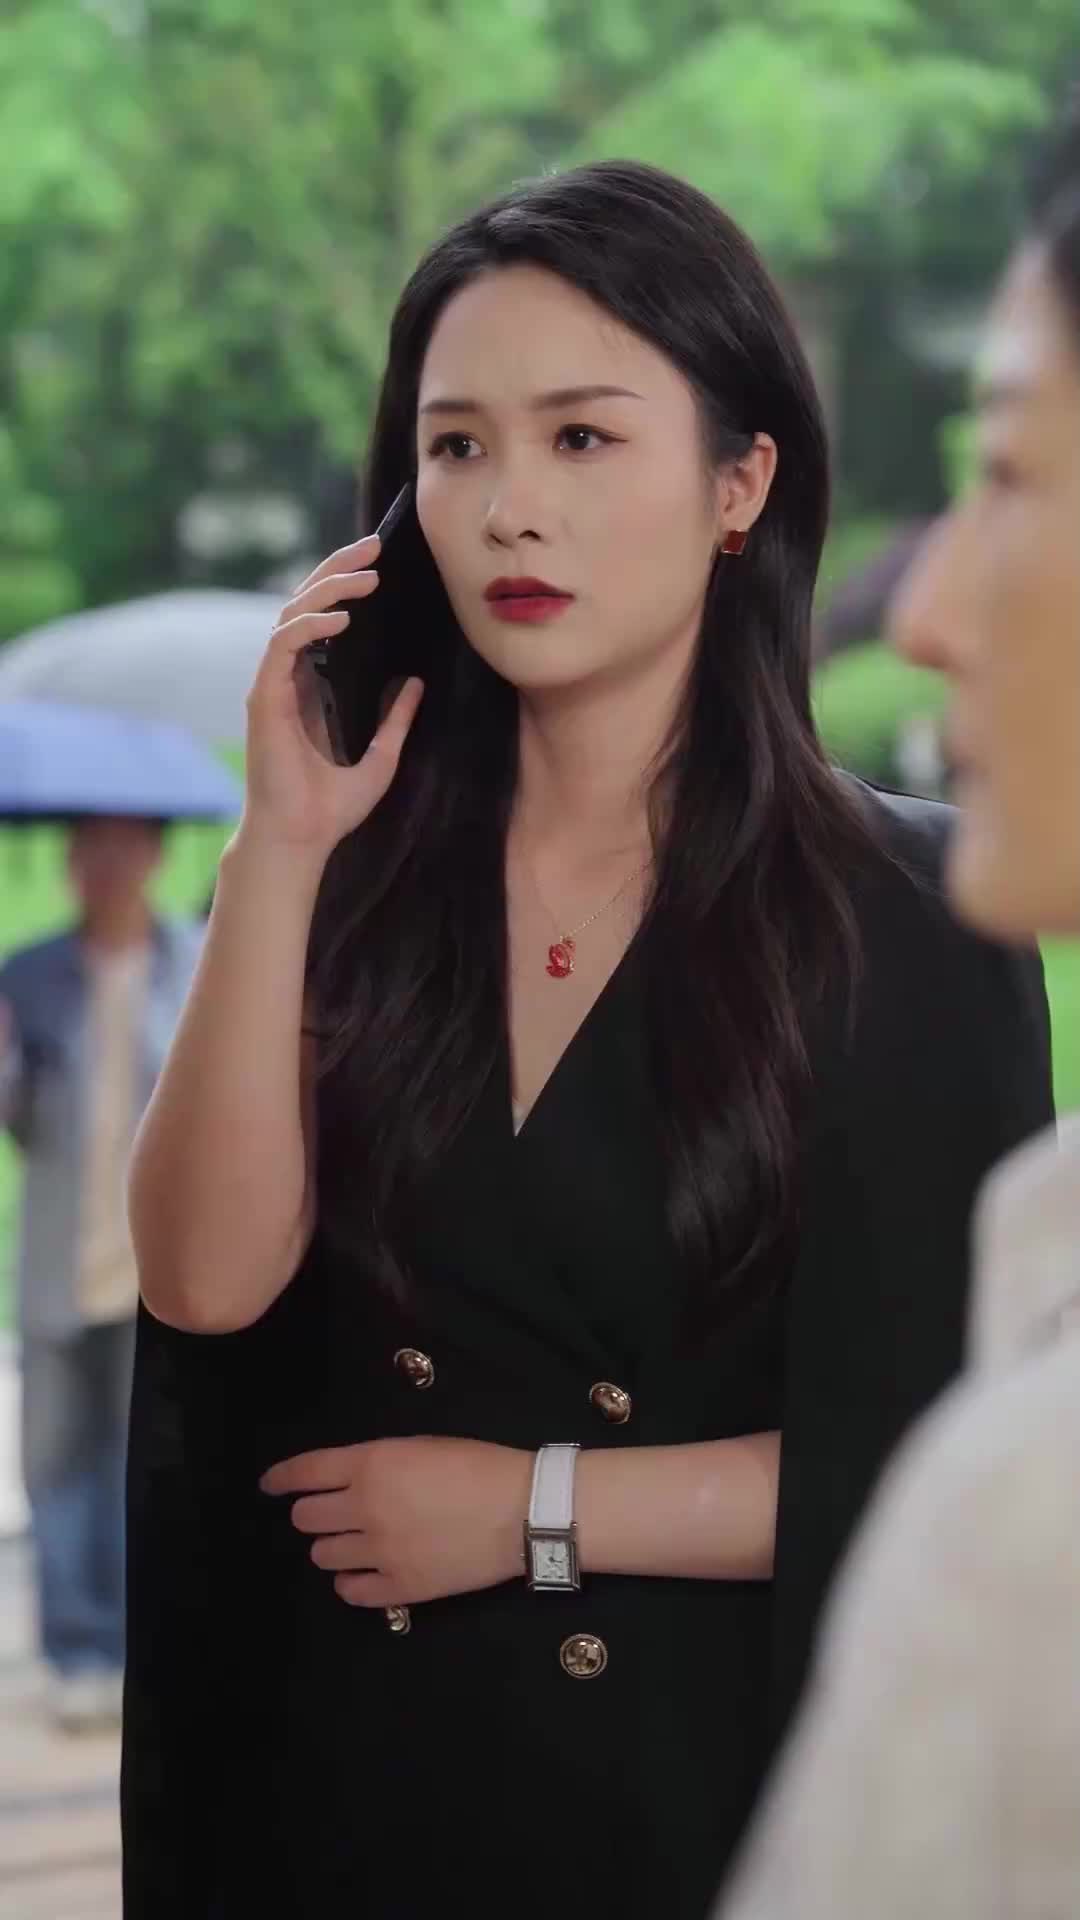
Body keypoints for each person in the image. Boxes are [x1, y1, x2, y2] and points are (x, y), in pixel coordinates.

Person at [122, 161, 1053, 1920]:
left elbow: (947, 1454)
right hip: (351, 1793)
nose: (509, 510)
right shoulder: (350, 878)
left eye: (581, 438)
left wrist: (532, 1508)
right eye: (456, 447)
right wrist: (278, 851)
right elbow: (203, 1286)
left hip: (696, 1808)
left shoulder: (913, 913)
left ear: (739, 483)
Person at [719, 107, 1080, 1920]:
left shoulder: (1032, 1532)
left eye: (1010, 471)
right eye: (451, 442)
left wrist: (531, 1508)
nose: (927, 611)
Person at [0, 815, 201, 1730]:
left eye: (123, 844)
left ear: (155, 853)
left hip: (162, 1262)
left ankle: (139, 1645)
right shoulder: (28, 975)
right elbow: (22, 1124)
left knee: (143, 1466)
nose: (103, 863)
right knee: (54, 1467)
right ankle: (76, 1651)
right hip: (59, 1261)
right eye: (87, 845)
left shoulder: (195, 963)